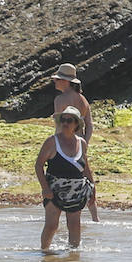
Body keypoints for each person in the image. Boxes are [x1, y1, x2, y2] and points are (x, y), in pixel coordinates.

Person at [36, 107, 97, 253]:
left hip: (76, 191)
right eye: (62, 120)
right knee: (52, 225)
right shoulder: (51, 142)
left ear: (76, 124)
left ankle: (73, 256)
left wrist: (93, 188)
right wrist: (45, 188)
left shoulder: (82, 143)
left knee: (74, 225)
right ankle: (44, 253)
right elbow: (38, 165)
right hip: (54, 189)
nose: (65, 123)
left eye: (69, 120)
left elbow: (85, 167)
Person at [52, 62, 97, 219]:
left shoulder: (60, 100)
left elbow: (60, 126)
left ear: (65, 81)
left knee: (59, 176)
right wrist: (85, 142)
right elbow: (90, 125)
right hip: (80, 142)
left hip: (64, 143)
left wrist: (57, 144)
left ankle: (57, 210)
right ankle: (95, 217)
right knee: (87, 176)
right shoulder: (83, 99)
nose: (55, 82)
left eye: (57, 79)